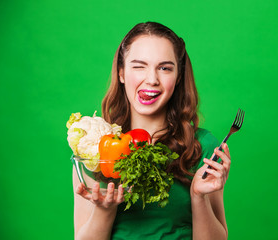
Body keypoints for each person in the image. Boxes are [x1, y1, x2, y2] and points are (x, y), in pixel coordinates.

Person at [72, 22, 231, 240]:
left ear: (177, 78)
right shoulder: (95, 147)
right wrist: (105, 209)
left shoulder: (202, 147)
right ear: (121, 73)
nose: (152, 79)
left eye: (165, 68)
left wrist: (198, 197)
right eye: (139, 66)